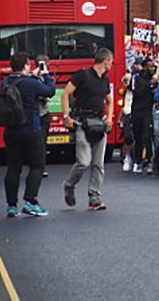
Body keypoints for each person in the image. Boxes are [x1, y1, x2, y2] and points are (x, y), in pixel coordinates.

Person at [1, 52, 55, 217]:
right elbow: (50, 91)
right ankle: (30, 201)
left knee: (13, 168)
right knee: (37, 166)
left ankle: (11, 206)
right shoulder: (31, 83)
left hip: (11, 131)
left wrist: (32, 75)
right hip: (31, 130)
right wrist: (45, 75)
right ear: (26, 65)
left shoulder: (5, 82)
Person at [62, 48, 115, 211]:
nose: (112, 64)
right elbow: (65, 94)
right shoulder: (82, 75)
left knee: (98, 163)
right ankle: (69, 185)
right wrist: (66, 117)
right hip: (81, 123)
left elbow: (110, 100)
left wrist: (109, 117)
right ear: (105, 61)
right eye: (111, 61)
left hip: (99, 124)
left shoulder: (105, 80)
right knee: (84, 162)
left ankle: (94, 196)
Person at [130, 59, 158, 174]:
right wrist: (149, 84)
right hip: (136, 111)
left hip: (148, 111)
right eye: (150, 66)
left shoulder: (155, 79)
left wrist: (155, 86)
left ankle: (148, 159)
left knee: (147, 135)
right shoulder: (136, 78)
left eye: (154, 67)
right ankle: (138, 159)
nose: (152, 69)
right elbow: (136, 92)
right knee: (138, 136)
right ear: (144, 67)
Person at [34, 55, 51, 178]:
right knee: (37, 142)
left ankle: (41, 167)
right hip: (35, 114)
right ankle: (36, 166)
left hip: (44, 113)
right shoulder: (32, 77)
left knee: (42, 141)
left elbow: (50, 91)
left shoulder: (46, 77)